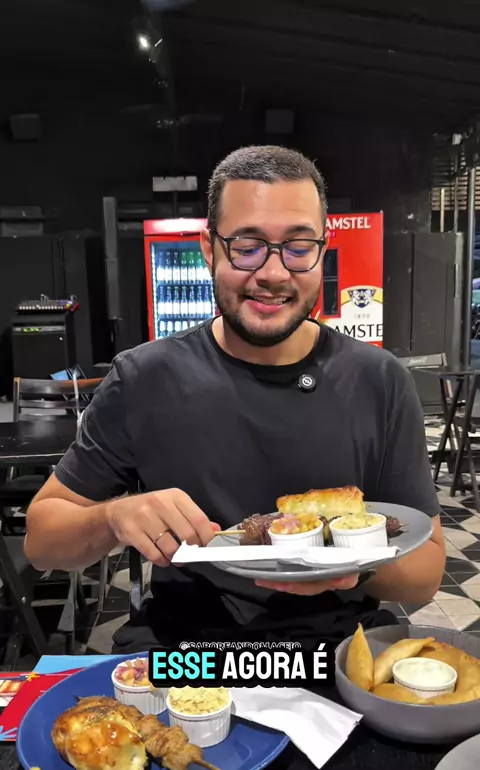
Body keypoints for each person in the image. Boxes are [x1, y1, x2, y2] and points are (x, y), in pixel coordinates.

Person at [25, 145, 445, 654]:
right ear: (209, 248)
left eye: (298, 246)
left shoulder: (379, 380)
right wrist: (112, 517)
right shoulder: (144, 378)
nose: (273, 273)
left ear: (322, 248)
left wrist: (350, 567)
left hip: (333, 657)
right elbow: (42, 543)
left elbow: (425, 573)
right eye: (247, 246)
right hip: (190, 658)